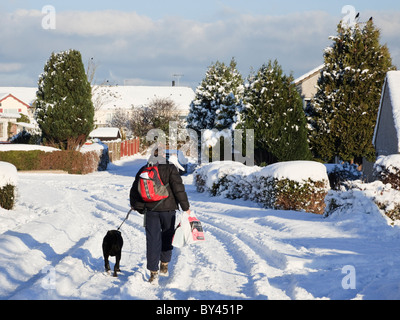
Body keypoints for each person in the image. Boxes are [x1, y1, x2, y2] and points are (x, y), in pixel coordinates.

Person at [130, 156, 190, 284]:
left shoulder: (144, 169)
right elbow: (178, 188)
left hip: (151, 211)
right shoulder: (170, 168)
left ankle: (153, 273)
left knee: (152, 240)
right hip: (168, 210)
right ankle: (164, 263)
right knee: (168, 235)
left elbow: (135, 190)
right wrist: (186, 208)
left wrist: (138, 206)